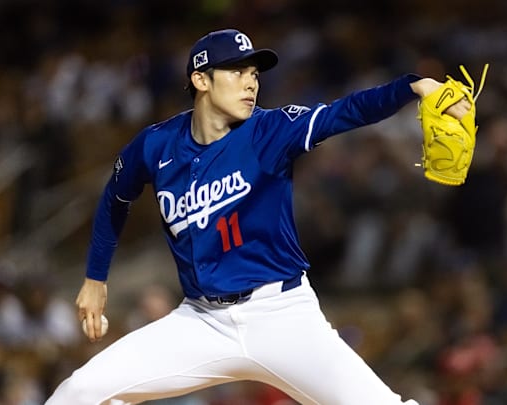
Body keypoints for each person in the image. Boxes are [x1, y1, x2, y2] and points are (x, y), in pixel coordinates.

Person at [45, 28, 471, 405]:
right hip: (201, 321)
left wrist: (413, 86)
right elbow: (115, 197)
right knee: (78, 393)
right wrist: (95, 278)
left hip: (282, 315)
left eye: (254, 73)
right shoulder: (154, 146)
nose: (251, 82)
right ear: (201, 80)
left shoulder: (271, 130)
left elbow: (346, 112)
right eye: (236, 71)